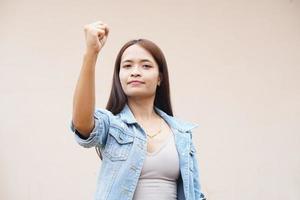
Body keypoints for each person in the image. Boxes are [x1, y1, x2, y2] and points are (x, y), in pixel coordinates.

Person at [70, 20, 206, 200]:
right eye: (127, 66)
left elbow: (194, 193)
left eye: (146, 66)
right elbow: (82, 123)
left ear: (160, 78)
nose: (135, 72)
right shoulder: (112, 125)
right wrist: (91, 54)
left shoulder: (181, 133)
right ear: (119, 77)